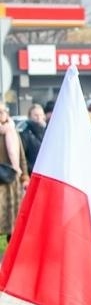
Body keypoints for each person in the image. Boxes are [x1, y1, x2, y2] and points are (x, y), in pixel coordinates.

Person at [0, 105, 28, 242]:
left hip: (13, 179)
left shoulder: (13, 131)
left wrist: (24, 176)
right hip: (0, 183)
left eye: (4, 111)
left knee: (14, 218)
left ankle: (12, 250)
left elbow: (21, 154)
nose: (2, 114)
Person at [19, 103, 45, 171]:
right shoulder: (25, 134)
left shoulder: (48, 131)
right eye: (36, 115)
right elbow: (23, 156)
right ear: (29, 117)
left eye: (41, 115)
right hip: (33, 171)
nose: (39, 117)